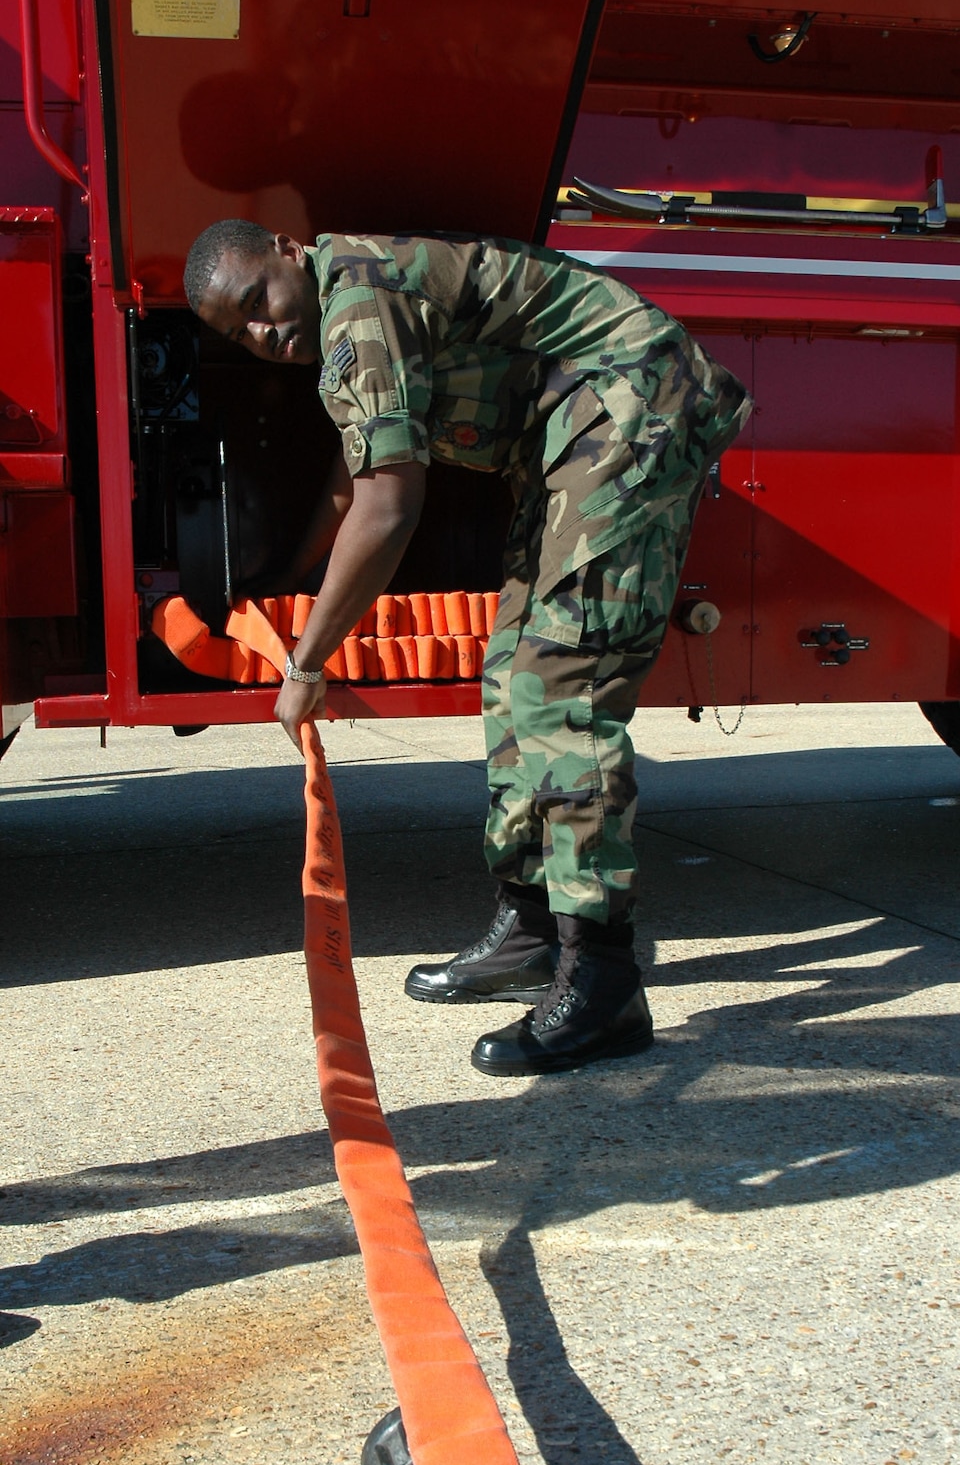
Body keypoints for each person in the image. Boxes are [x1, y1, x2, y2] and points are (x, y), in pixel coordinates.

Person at [184, 220, 751, 1078]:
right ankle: (530, 924)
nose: (264, 332)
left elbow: (387, 507)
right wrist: (287, 579)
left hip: (628, 402)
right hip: (574, 434)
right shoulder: (349, 310)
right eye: (242, 332)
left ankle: (602, 978)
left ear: (285, 248)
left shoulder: (357, 307)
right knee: (512, 670)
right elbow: (357, 473)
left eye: (257, 300)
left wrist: (307, 663)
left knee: (564, 680)